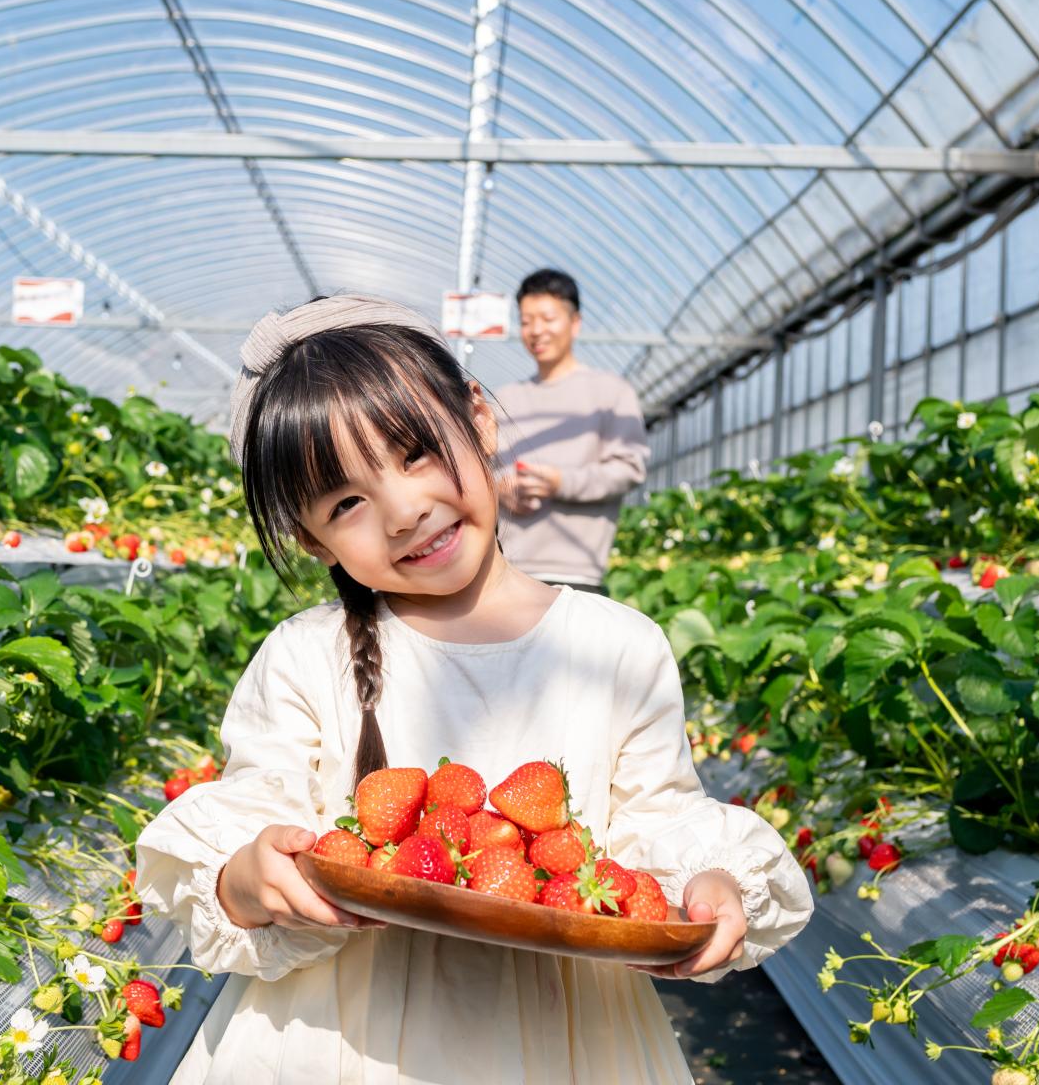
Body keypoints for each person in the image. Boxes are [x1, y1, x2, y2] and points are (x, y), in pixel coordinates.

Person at [134, 294, 811, 1084]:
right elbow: (255, 813)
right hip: (337, 1040)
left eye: (414, 452)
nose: (403, 509)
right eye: (346, 502)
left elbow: (656, 815)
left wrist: (706, 880)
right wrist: (242, 878)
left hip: (566, 1035)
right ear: (309, 539)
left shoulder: (616, 646)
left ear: (479, 420)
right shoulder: (306, 656)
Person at [495, 268, 650, 593]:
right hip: (509, 570)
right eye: (526, 321)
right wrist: (500, 490)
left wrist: (560, 482)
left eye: (547, 318)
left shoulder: (611, 394)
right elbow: (478, 474)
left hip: (579, 574)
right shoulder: (504, 400)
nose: (536, 331)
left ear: (574, 322)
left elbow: (629, 469)